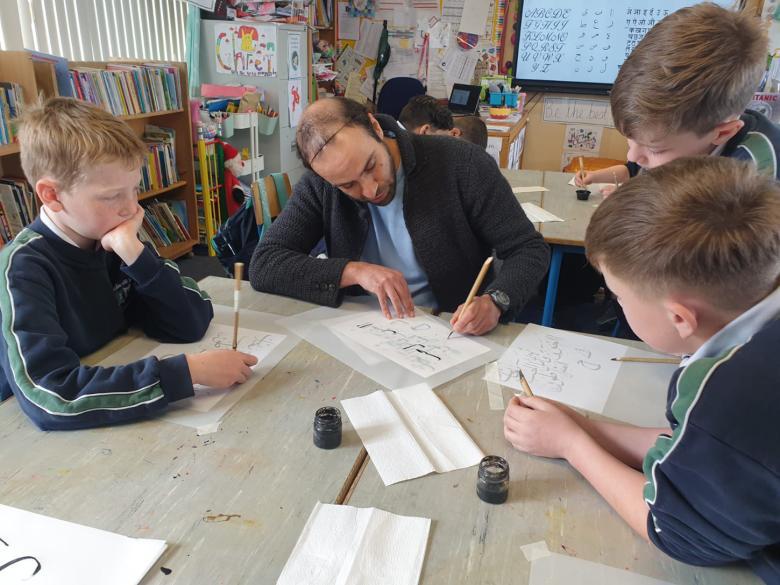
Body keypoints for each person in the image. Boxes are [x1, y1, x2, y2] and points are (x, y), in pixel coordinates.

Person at [505, 157, 780, 582]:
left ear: (680, 318)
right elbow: (691, 448)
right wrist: (581, 426)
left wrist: (572, 445)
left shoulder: (731, 394)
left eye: (618, 296)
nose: (617, 304)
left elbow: (673, 531)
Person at [0, 97, 257, 431]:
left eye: (134, 189)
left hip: (112, 386)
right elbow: (50, 395)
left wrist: (136, 255)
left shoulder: (112, 237)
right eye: (111, 196)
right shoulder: (22, 269)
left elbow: (190, 321)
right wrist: (187, 373)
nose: (132, 208)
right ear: (52, 195)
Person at [249, 97, 549, 336]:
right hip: (360, 330)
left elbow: (527, 248)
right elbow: (265, 263)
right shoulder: (322, 184)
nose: (370, 190)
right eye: (348, 185)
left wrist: (496, 301)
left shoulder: (463, 164)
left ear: (375, 127)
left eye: (371, 165)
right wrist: (354, 272)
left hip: (448, 329)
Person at [575, 3, 778, 196]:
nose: (632, 156)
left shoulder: (757, 175)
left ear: (723, 133)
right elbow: (640, 173)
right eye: (631, 141)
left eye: (655, 149)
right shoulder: (682, 137)